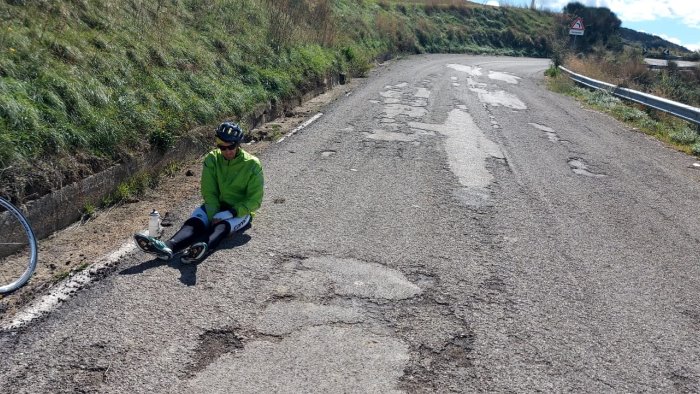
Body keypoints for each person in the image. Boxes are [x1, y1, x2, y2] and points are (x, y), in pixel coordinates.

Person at [134, 121, 264, 264]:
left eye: (231, 147)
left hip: (240, 211)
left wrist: (230, 213)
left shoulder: (252, 164)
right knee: (195, 223)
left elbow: (255, 200)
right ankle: (167, 247)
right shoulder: (212, 159)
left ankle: (201, 248)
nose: (227, 151)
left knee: (221, 227)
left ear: (238, 144)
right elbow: (209, 192)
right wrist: (212, 216)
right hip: (216, 205)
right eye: (222, 147)